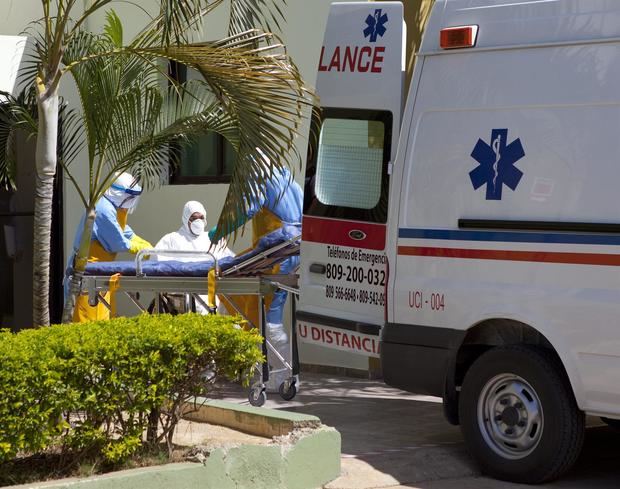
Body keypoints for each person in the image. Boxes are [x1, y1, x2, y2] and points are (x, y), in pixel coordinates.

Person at [210, 163, 302, 390]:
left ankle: (274, 373)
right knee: (266, 311)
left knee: (262, 313)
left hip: (271, 258)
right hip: (289, 251)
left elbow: (246, 210)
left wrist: (219, 230)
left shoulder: (260, 179)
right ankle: (262, 369)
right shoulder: (291, 181)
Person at [67, 172, 152, 322]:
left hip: (101, 273)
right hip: (89, 273)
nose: (131, 202)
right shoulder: (103, 209)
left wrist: (144, 244)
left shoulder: (113, 206)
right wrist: (140, 249)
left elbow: (125, 232)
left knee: (103, 320)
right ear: (120, 194)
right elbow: (117, 242)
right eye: (130, 197)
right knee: (88, 325)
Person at [154, 200, 234, 314]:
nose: (198, 221)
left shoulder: (213, 238)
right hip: (184, 293)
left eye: (201, 217)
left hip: (214, 290)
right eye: (193, 218)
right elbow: (157, 263)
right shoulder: (172, 239)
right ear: (186, 219)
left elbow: (229, 259)